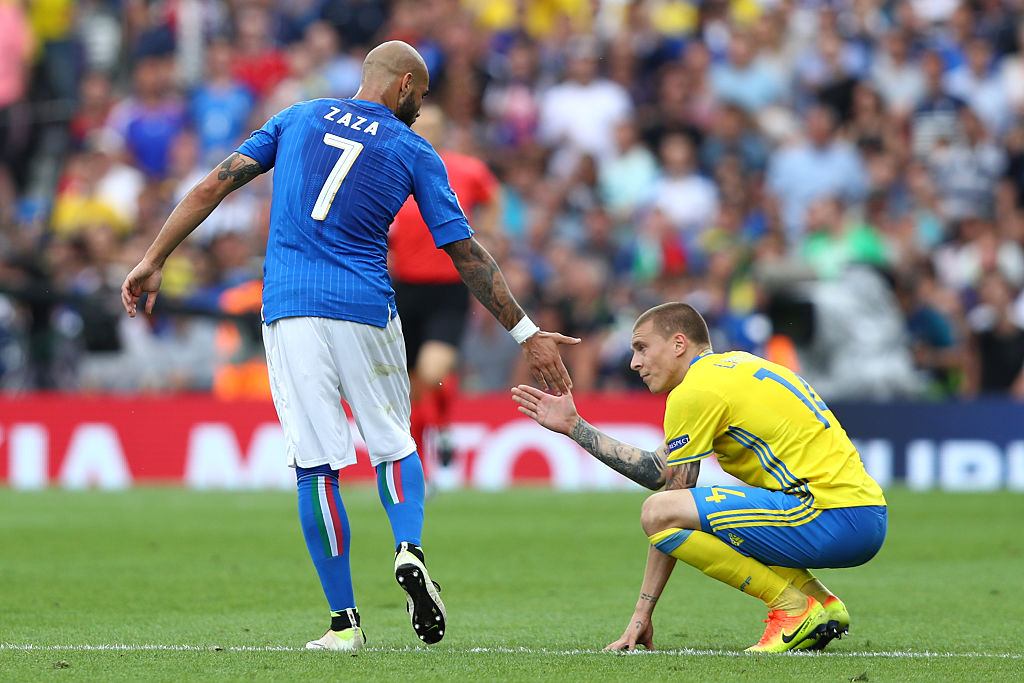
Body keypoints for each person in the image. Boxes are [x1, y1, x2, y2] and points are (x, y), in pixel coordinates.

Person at [121, 40, 579, 652]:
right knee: (392, 442)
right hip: (366, 306)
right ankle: (409, 548)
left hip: (290, 307)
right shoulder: (413, 149)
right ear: (404, 85)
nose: (422, 104)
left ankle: (344, 625)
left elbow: (212, 187)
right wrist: (527, 333)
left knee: (315, 465)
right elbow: (465, 253)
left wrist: (153, 259)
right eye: (421, 93)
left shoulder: (297, 116)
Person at [512, 302, 886, 653]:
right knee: (708, 513)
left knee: (658, 512)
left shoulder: (695, 391)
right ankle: (821, 603)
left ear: (678, 344)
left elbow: (666, 499)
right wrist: (575, 427)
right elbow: (660, 471)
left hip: (830, 516)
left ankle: (792, 608)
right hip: (864, 513)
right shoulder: (737, 366)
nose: (633, 363)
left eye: (642, 348)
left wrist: (642, 612)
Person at [388, 103, 501, 477]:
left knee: (432, 368)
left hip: (449, 286)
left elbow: (492, 197)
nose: (427, 132)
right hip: (405, 287)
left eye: (434, 126)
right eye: (421, 126)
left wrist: (487, 236)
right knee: (412, 384)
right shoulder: (393, 167)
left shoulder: (465, 169)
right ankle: (425, 459)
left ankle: (441, 432)